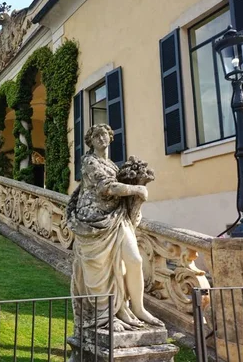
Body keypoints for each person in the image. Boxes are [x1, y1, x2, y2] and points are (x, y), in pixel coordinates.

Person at [66, 124, 163, 331]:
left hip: (116, 218)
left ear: (110, 138)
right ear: (90, 142)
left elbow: (115, 186)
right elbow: (106, 187)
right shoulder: (89, 162)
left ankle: (138, 308)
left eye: (104, 135)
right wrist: (136, 188)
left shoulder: (112, 165)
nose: (101, 138)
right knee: (101, 270)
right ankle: (105, 314)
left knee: (135, 260)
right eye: (96, 136)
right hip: (93, 223)